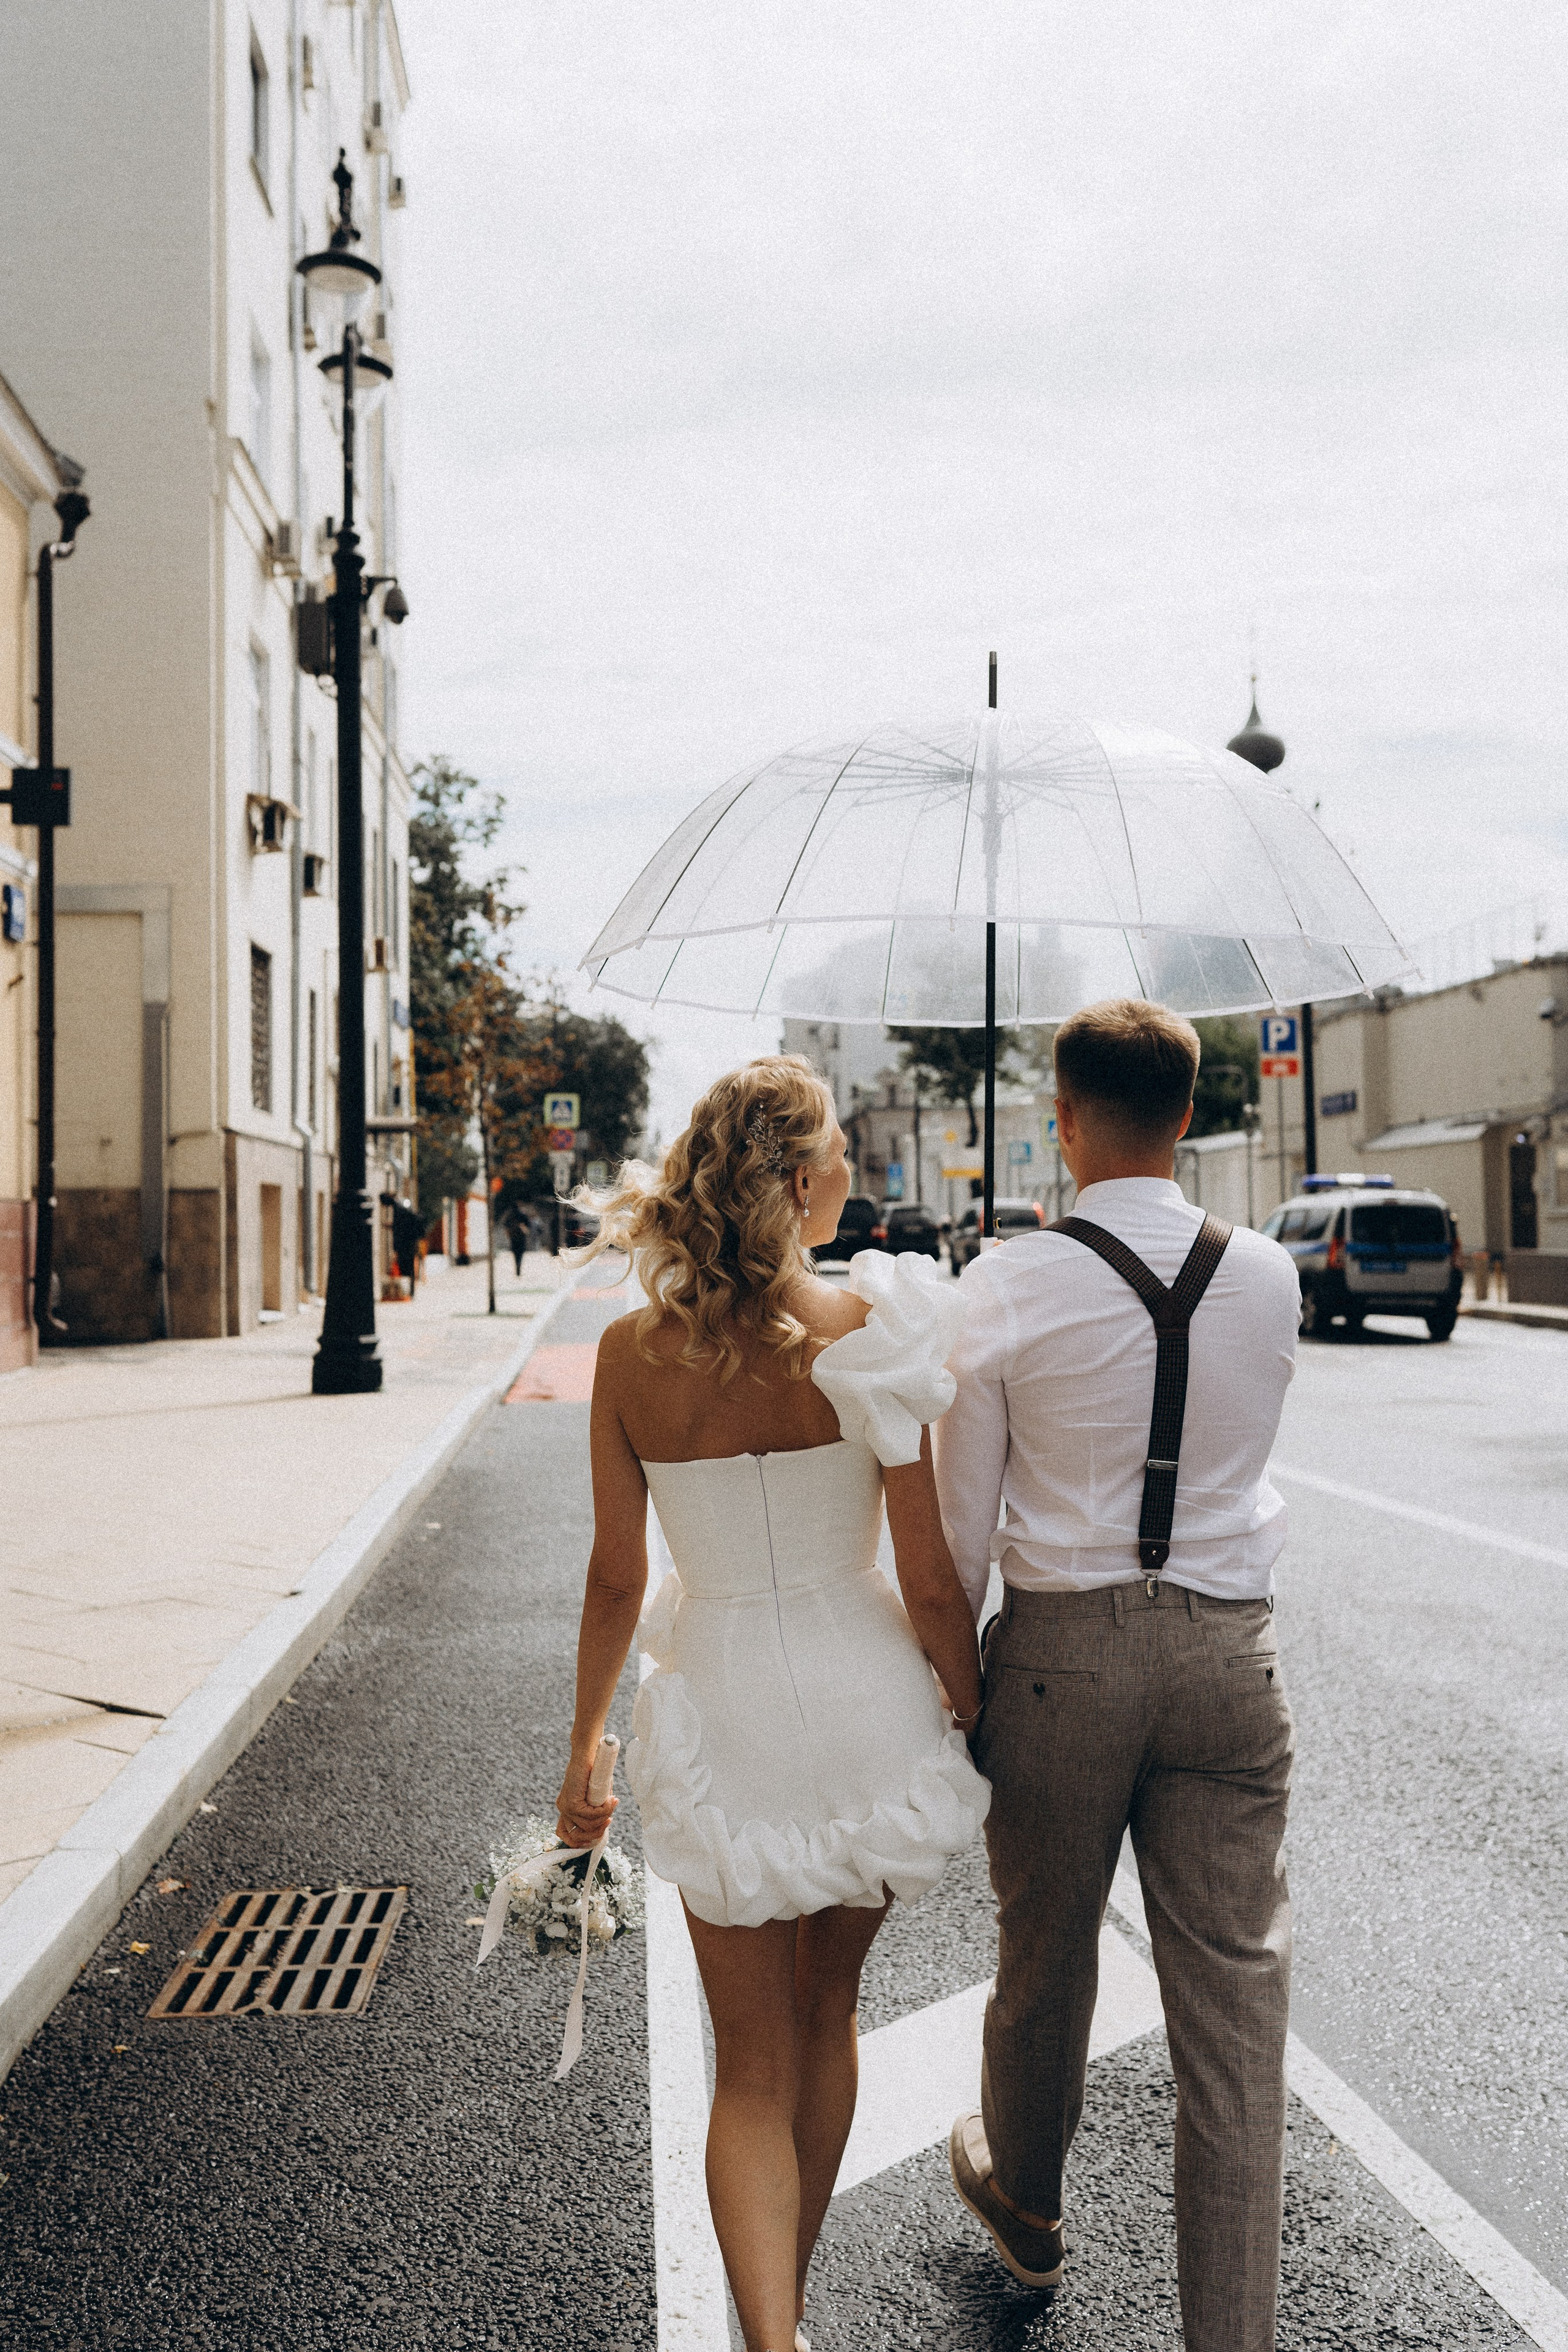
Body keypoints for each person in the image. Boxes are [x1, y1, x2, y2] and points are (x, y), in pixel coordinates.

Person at [557, 1055, 989, 2352]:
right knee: (826, 2011)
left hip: (723, 1707)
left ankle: (770, 2335)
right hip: (865, 1702)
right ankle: (781, 2308)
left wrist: (584, 1747)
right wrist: (970, 1705)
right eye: (839, 1150)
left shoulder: (630, 1355)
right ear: (799, 1184)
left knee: (746, 2063)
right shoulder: (870, 1333)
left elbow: (616, 1576)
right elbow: (927, 1577)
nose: (851, 1167)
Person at [935, 998, 1301, 2352]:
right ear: (1188, 1115)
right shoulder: (1267, 1273)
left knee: (1044, 1957)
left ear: (1063, 1120)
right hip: (1227, 1655)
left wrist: (953, 1690)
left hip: (1058, 1657)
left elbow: (960, 1530)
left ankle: (1027, 2211)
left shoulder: (1005, 1283)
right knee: (1235, 2012)